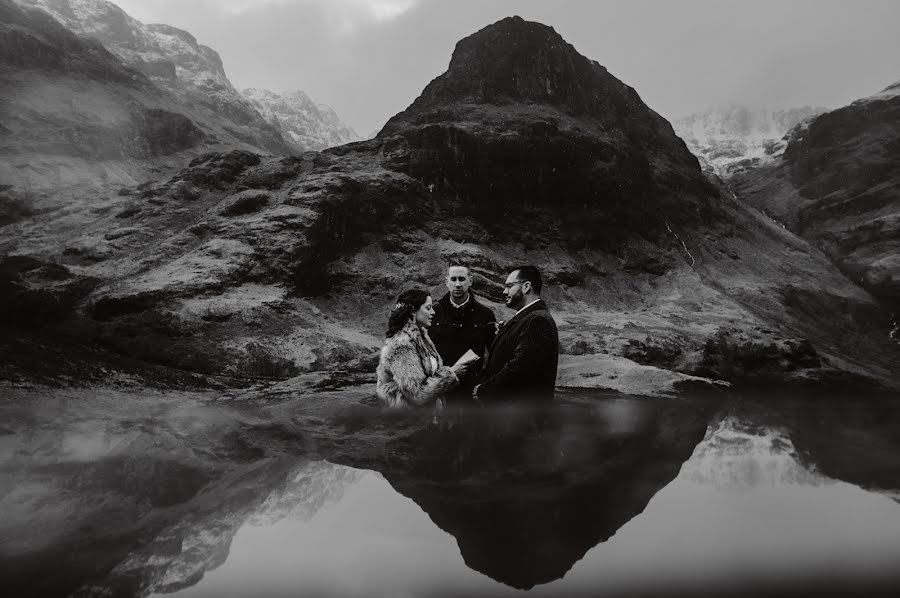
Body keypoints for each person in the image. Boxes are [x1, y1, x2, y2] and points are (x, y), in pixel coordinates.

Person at [474, 266, 559, 401]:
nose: (504, 291)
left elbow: (520, 369)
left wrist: (484, 390)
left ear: (526, 287)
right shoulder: (528, 318)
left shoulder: (538, 320)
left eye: (509, 286)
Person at [376, 289, 470, 409]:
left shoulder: (421, 338)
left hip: (426, 419)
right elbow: (418, 395)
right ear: (413, 312)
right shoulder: (402, 345)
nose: (433, 312)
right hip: (407, 423)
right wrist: (452, 373)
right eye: (428, 307)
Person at [429, 262, 497, 401]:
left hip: (471, 392)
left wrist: (484, 384)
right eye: (453, 279)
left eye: (462, 279)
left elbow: (493, 354)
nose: (458, 284)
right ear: (446, 281)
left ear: (470, 281)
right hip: (441, 390)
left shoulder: (485, 315)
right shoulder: (433, 313)